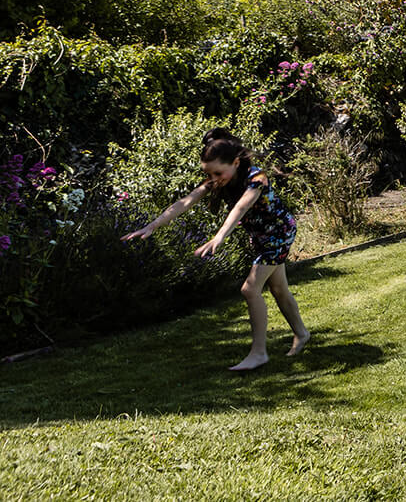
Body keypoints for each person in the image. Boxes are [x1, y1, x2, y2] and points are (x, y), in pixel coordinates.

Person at [122, 128, 310, 371]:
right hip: (261, 238)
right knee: (278, 288)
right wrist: (152, 226)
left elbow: (241, 208)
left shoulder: (256, 178)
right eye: (207, 173)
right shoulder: (219, 179)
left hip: (279, 234)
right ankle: (302, 334)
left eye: (217, 172)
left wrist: (218, 237)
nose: (213, 178)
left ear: (235, 162)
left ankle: (259, 353)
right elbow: (186, 201)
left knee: (250, 289)